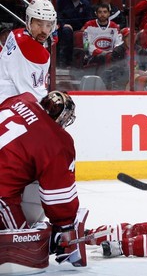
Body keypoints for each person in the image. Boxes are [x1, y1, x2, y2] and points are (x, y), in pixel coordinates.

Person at [0, 91, 88, 268]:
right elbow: (58, 195)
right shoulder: (57, 140)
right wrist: (64, 227)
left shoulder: (20, 100)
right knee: (23, 248)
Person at [0, 0, 56, 104]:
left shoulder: (16, 33)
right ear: (28, 21)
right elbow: (34, 96)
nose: (44, 31)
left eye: (48, 25)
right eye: (39, 24)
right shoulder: (34, 51)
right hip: (8, 107)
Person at [82, 4, 122, 73]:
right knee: (102, 57)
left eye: (105, 12)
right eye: (100, 12)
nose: (102, 14)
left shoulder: (114, 27)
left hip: (111, 57)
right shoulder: (89, 25)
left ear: (109, 13)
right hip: (93, 57)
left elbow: (119, 43)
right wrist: (101, 52)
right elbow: (86, 44)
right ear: (96, 13)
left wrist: (113, 53)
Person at [56, 0, 93, 68]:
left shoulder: (86, 3)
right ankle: (65, 61)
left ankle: (85, 60)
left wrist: (85, 27)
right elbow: (57, 15)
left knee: (85, 34)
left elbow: (89, 19)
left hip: (80, 28)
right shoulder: (62, 0)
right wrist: (63, 24)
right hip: (64, 27)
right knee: (66, 31)